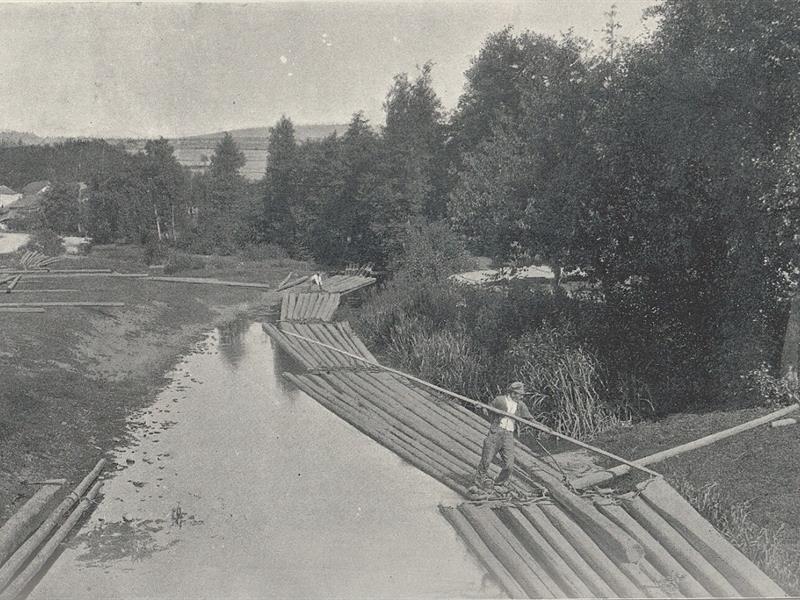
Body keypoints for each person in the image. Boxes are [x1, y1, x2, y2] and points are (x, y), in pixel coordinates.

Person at [471, 381, 534, 495]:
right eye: (519, 394)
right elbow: (487, 411)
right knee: (486, 459)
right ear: (513, 393)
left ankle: (499, 483)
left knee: (509, 465)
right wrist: (480, 408)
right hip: (496, 433)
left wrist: (546, 428)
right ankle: (478, 483)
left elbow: (530, 419)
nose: (521, 396)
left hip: (508, 435)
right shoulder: (499, 400)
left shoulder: (520, 405)